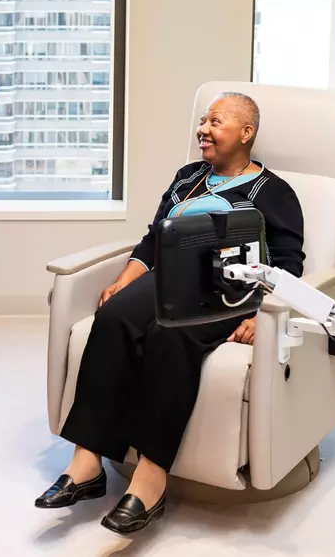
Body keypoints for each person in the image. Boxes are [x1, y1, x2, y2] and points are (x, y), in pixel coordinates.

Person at [34, 92, 305, 534]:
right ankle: (87, 462)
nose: (203, 129)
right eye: (203, 121)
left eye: (215, 121)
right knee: (114, 316)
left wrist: (267, 314)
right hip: (170, 279)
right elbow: (152, 240)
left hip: (231, 291)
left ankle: (150, 478)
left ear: (246, 133)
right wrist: (127, 277)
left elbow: (290, 263)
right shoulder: (187, 178)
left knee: (171, 334)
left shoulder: (274, 192)